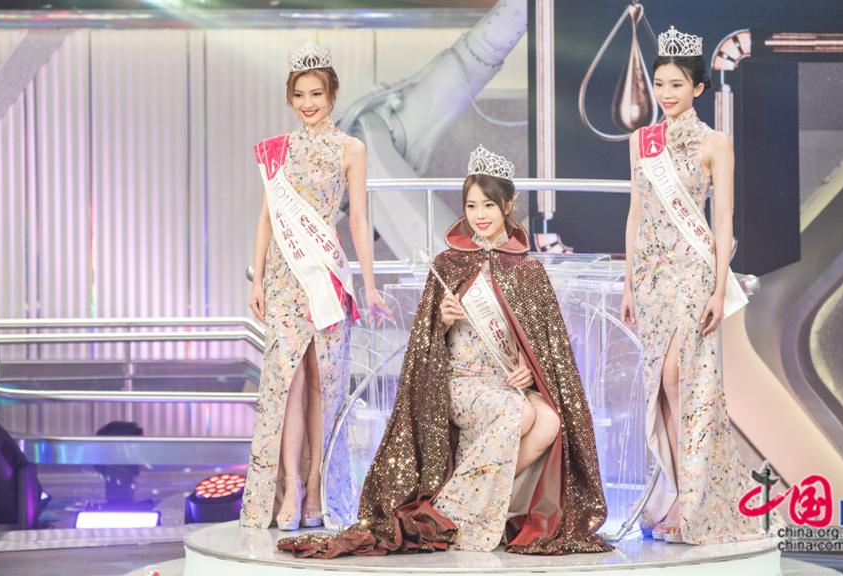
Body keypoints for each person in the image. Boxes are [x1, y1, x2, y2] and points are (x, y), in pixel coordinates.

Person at [279, 146, 611, 557]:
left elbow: (545, 345)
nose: (480, 215)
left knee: (549, 420)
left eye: (488, 205)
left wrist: (529, 367)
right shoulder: (449, 264)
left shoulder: (528, 270)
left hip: (505, 383)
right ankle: (455, 512)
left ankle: (463, 505)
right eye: (471, 206)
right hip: (460, 384)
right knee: (521, 413)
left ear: (508, 206)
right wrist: (443, 320)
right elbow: (423, 344)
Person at [621, 26, 768, 544]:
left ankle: (694, 502)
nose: (666, 94)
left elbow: (723, 219)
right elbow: (636, 213)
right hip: (651, 278)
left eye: (676, 85)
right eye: (660, 84)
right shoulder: (642, 142)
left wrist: (718, 288)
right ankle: (678, 492)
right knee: (660, 388)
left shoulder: (715, 143)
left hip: (693, 273)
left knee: (682, 382)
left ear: (698, 88)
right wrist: (628, 285)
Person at [241, 41, 392, 531]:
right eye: (300, 94)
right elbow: (267, 218)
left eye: (317, 94)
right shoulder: (277, 151)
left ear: (332, 95)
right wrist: (257, 277)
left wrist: (369, 285)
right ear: (290, 97)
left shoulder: (351, 149)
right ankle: (291, 487)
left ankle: (318, 483)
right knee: (289, 384)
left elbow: (359, 220)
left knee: (324, 384)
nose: (308, 103)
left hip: (326, 277)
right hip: (285, 282)